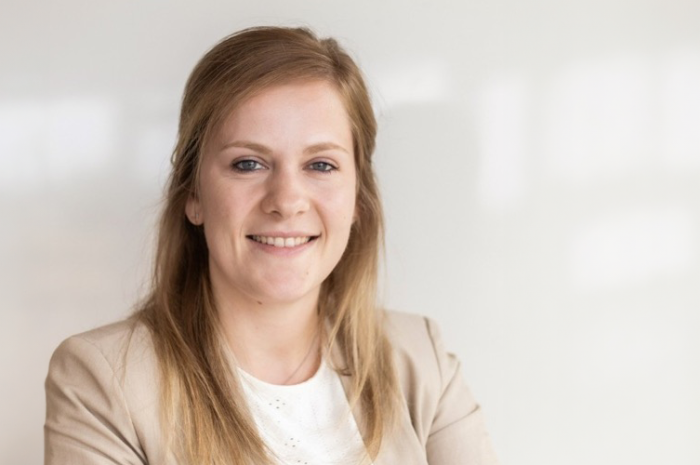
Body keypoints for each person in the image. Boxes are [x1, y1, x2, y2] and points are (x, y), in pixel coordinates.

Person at [44, 26, 498, 465]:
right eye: (248, 163)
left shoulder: (421, 358)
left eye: (321, 165)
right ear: (193, 195)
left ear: (358, 200)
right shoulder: (104, 380)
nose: (286, 201)